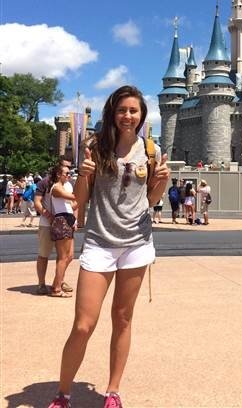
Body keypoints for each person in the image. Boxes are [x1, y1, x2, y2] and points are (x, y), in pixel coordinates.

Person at [47, 85, 170, 408]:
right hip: (100, 243)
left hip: (136, 243)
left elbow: (150, 201)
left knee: (123, 318)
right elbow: (80, 202)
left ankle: (113, 391)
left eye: (133, 110)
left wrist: (162, 182)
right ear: (112, 113)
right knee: (83, 325)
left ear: (142, 115)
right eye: (122, 110)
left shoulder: (151, 150)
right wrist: (83, 175)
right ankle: (63, 393)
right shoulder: (95, 147)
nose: (128, 116)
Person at [34, 157, 73, 296]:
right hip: (47, 223)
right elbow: (37, 202)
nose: (69, 171)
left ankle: (59, 281)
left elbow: (70, 204)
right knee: (44, 254)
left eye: (70, 168)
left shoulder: (68, 184)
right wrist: (47, 215)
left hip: (63, 221)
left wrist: (74, 220)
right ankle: (41, 284)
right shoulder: (45, 182)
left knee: (66, 256)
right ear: (59, 168)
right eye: (66, 167)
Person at [49, 164, 78, 298]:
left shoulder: (64, 188)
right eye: (66, 173)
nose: (69, 176)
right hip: (61, 220)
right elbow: (74, 197)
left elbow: (73, 205)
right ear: (58, 175)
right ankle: (56, 288)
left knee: (70, 256)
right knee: (63, 257)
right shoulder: (56, 188)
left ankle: (57, 283)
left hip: (68, 219)